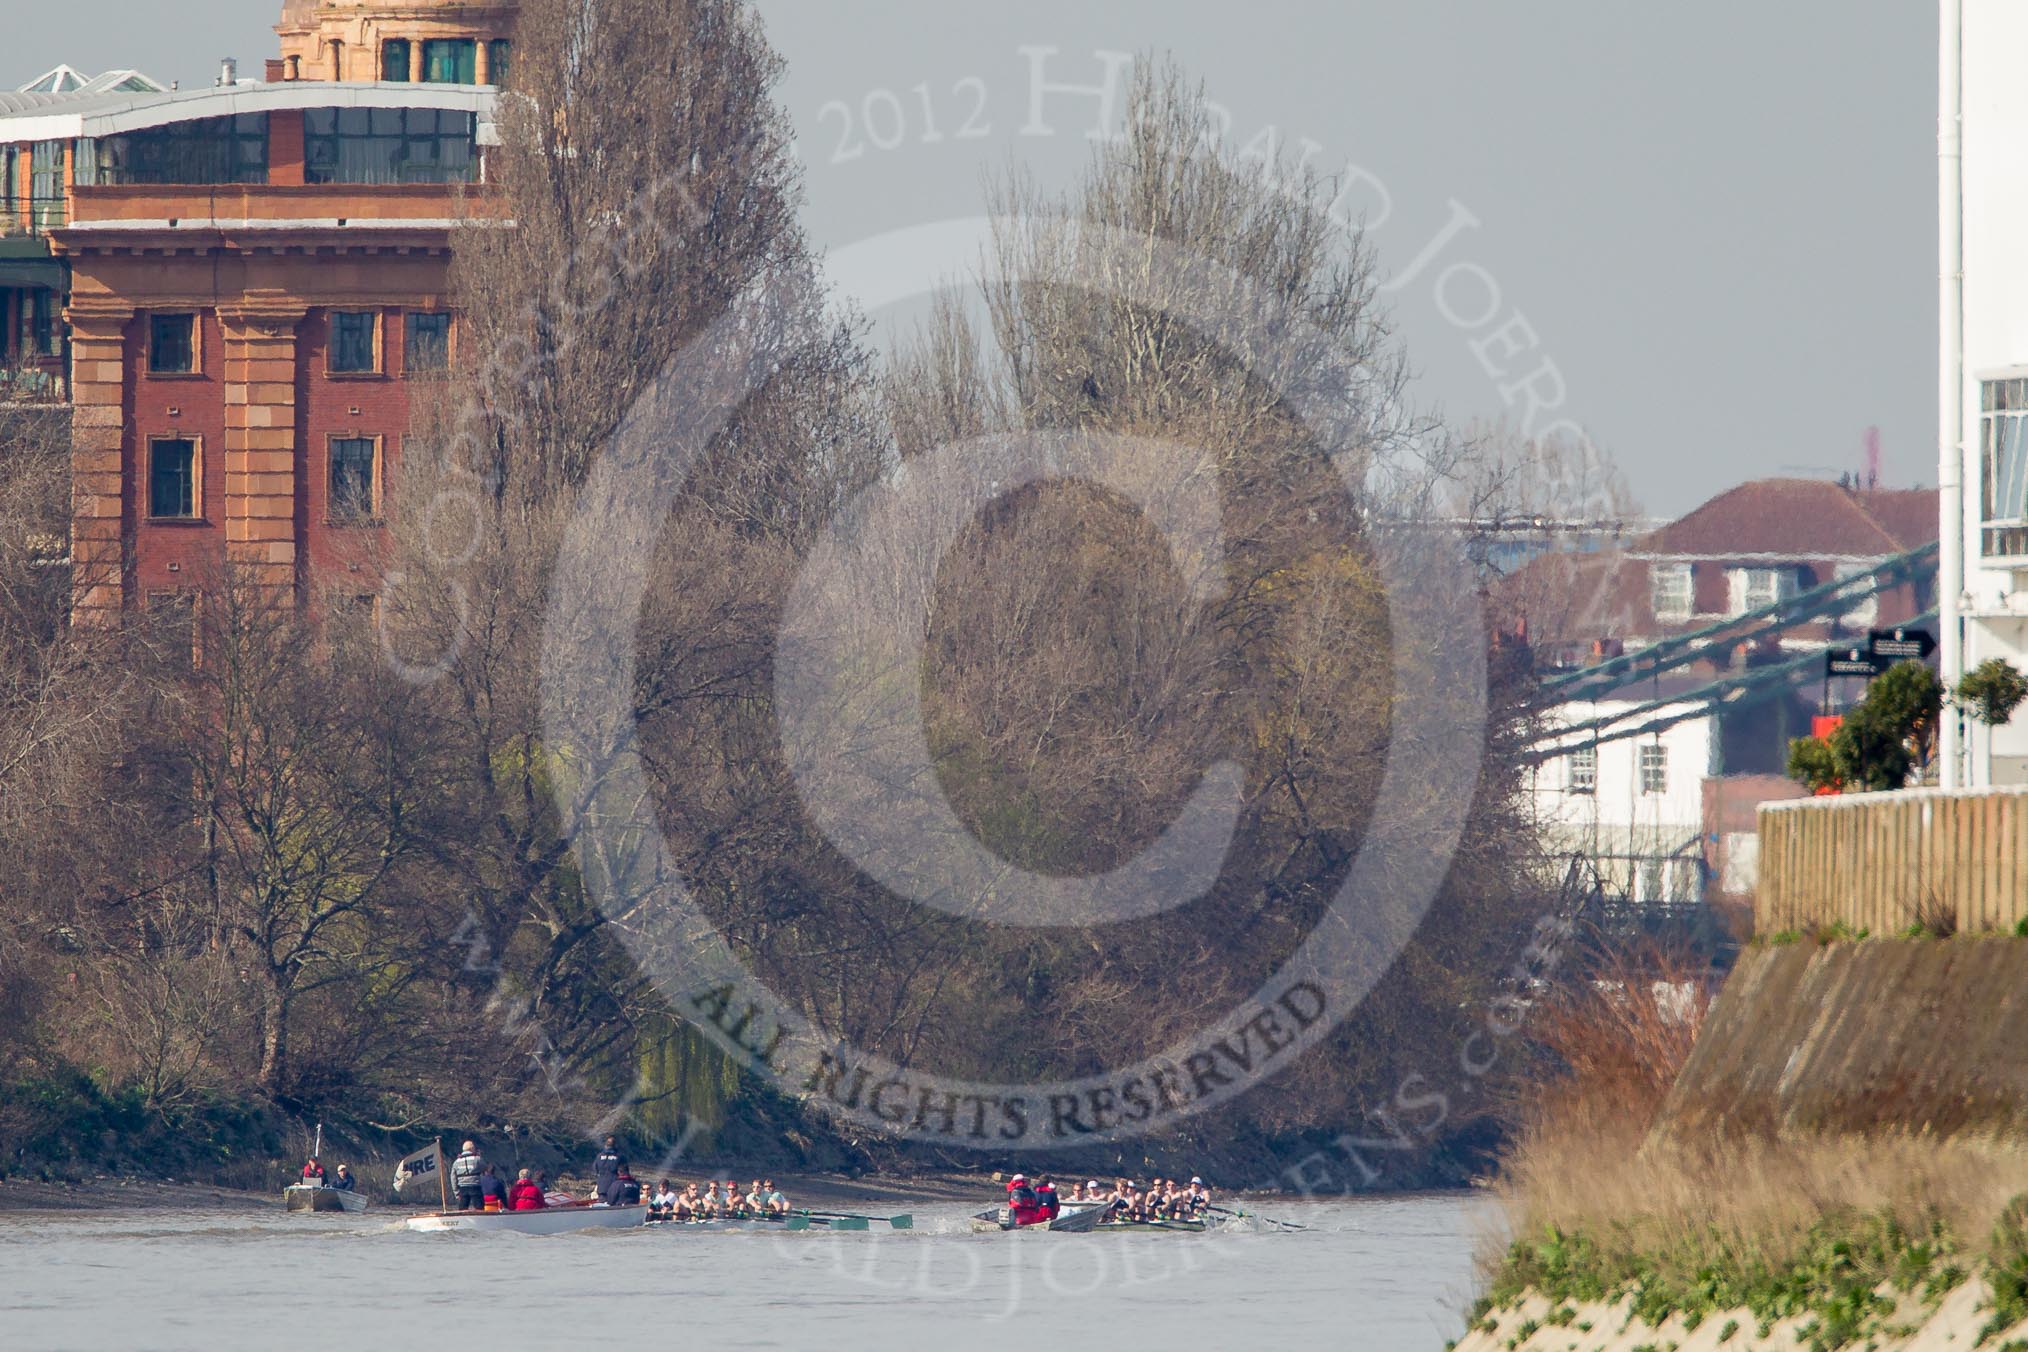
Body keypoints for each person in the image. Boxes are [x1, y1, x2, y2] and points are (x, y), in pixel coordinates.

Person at [451, 1140, 484, 1211]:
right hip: (475, 1187)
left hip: (462, 1188)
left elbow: (453, 1178)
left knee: (462, 1209)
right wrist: (480, 1156)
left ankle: (463, 1220)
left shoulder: (456, 1162)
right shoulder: (477, 1159)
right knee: (479, 1208)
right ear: (472, 1149)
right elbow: (485, 1168)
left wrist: (456, 1192)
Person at [592, 1135, 622, 1202]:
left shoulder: (599, 1156)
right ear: (615, 1145)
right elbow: (624, 1171)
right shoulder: (620, 1157)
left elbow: (595, 1168)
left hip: (602, 1186)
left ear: (606, 1144)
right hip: (614, 1186)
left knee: (602, 1206)